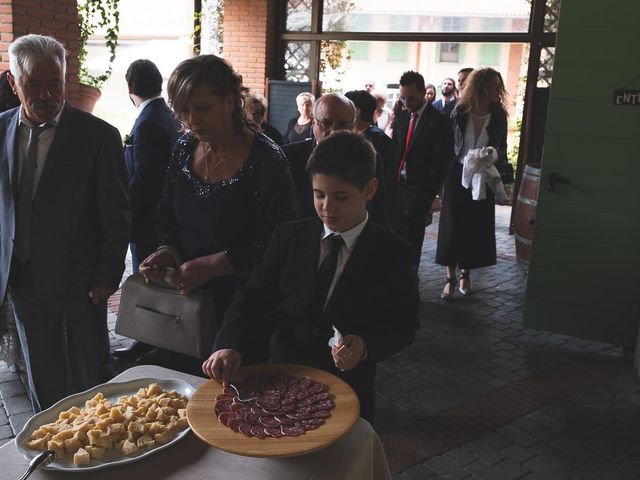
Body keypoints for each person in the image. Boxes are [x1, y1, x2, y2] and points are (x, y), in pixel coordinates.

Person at [202, 131, 419, 423]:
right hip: (279, 379)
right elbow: (252, 295)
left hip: (347, 390)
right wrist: (229, 342)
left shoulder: (393, 254)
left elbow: (404, 325)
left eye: (340, 197)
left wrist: (365, 345)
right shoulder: (289, 236)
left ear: (369, 190)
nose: (327, 207)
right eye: (319, 194)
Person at [139, 55, 296, 374]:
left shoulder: (266, 159)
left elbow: (279, 243)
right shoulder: (183, 148)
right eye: (183, 111)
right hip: (185, 302)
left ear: (229, 101)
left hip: (245, 308)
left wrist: (214, 264)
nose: (192, 120)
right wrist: (166, 253)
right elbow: (166, 212)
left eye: (202, 108)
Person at [0, 34, 130, 411]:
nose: (46, 95)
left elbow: (117, 214)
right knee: (43, 378)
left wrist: (107, 276)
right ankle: (52, 456)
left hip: (81, 281)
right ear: (13, 82)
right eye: (33, 85)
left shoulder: (98, 137)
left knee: (93, 380)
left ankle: (105, 456)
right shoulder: (1, 129)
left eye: (54, 83)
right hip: (23, 280)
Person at [113, 59, 182, 361]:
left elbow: (144, 179)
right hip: (161, 217)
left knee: (149, 280)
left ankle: (150, 342)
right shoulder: (164, 114)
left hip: (147, 219)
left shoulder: (148, 122)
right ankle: (154, 340)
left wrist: (126, 216)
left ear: (129, 88)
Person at [436, 68, 509, 299]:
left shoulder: (498, 116)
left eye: (500, 86)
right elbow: (447, 146)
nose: (499, 91)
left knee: (474, 225)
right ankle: (449, 277)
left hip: (484, 174)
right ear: (482, 86)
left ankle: (465, 274)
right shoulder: (458, 111)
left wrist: (492, 155)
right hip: (457, 173)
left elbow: (503, 148)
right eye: (495, 86)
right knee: (452, 224)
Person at [283, 93, 390, 229]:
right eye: (326, 123)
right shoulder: (288, 157)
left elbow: (379, 211)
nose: (333, 131)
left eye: (342, 125)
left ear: (353, 126)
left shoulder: (368, 158)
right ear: (313, 122)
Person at [393, 71, 454, 267]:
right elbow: (396, 151)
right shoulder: (402, 117)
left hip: (419, 189)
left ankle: (410, 284)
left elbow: (441, 161)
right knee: (395, 236)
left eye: (411, 98)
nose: (406, 102)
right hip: (398, 186)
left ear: (422, 93)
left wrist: (428, 195)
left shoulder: (439, 120)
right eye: (403, 97)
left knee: (412, 242)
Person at [345, 90, 400, 231]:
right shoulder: (356, 137)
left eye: (344, 108)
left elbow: (385, 185)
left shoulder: (378, 141)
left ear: (356, 112)